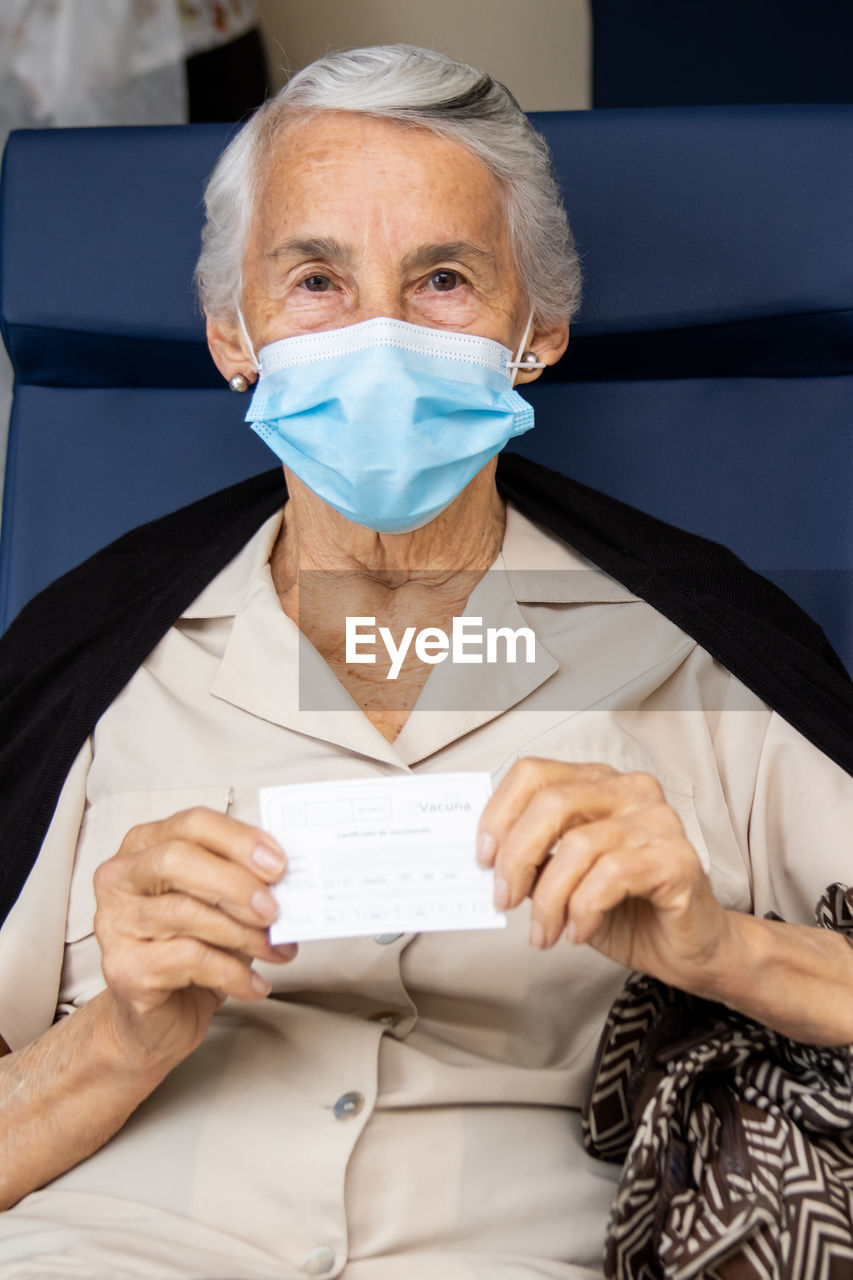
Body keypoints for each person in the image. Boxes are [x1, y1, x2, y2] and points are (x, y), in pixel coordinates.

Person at [0, 43, 850, 1280]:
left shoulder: (698, 642)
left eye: (443, 278)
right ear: (232, 333)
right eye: (316, 281)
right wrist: (121, 1034)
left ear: (537, 327)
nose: (378, 338)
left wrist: (723, 947)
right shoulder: (83, 659)